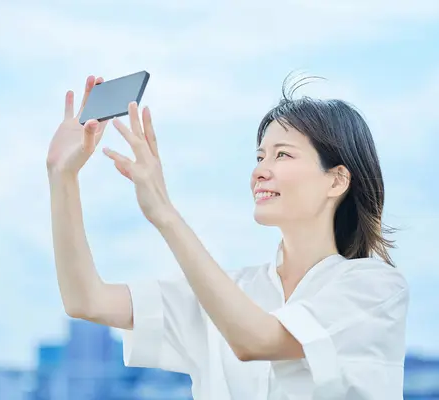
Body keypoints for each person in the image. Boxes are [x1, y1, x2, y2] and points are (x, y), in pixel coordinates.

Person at [46, 74, 409, 400]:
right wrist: (62, 176)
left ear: (336, 180)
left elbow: (256, 340)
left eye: (282, 155)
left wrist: (165, 214)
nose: (261, 171)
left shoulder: (373, 289)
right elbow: (86, 300)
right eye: (260, 156)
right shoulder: (226, 291)